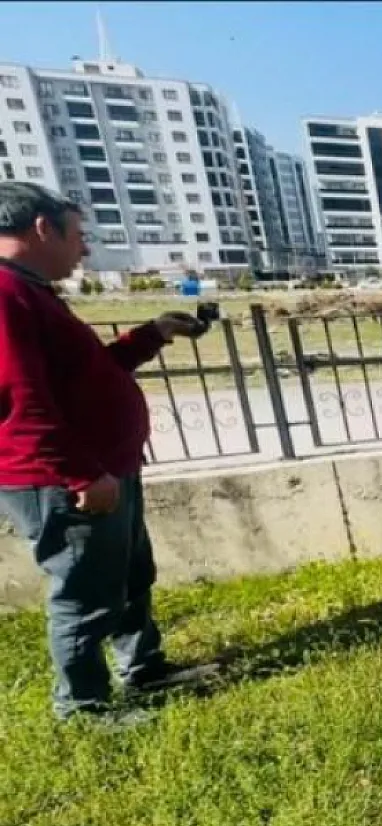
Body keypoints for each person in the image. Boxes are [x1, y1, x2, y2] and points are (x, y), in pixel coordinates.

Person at [0, 182, 220, 726]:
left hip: (105, 469)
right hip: (67, 481)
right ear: (42, 228)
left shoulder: (32, 292)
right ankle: (83, 709)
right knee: (83, 593)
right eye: (79, 236)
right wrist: (81, 476)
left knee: (127, 575)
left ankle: (143, 668)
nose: (85, 249)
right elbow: (20, 404)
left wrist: (152, 334)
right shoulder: (6, 297)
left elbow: (84, 377)